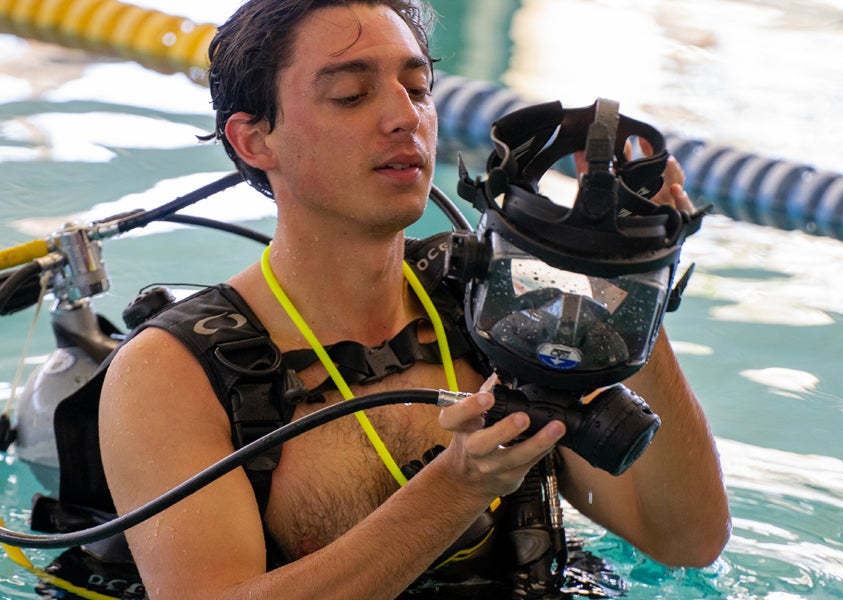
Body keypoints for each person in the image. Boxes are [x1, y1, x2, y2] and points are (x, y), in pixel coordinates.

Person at [98, 1, 731, 598]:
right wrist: (457, 488)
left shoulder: (494, 306)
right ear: (254, 140)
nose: (404, 116)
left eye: (418, 88)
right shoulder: (171, 375)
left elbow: (687, 540)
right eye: (351, 94)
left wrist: (628, 282)